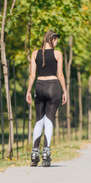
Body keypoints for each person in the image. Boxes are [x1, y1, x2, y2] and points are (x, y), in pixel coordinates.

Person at [26, 30, 67, 167]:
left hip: (39, 86)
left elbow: (32, 75)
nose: (57, 43)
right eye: (56, 40)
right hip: (53, 86)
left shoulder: (34, 54)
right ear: (52, 39)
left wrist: (28, 91)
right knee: (49, 119)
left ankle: (34, 153)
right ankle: (46, 153)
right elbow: (60, 74)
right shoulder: (57, 54)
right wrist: (65, 91)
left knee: (39, 120)